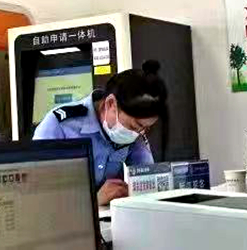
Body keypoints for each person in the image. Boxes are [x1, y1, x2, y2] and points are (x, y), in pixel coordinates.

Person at [33, 61, 167, 205]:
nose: (139, 133)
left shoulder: (136, 132)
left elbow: (147, 178)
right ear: (111, 104)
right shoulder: (59, 124)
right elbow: (36, 191)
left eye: (146, 128)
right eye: (135, 126)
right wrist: (93, 201)